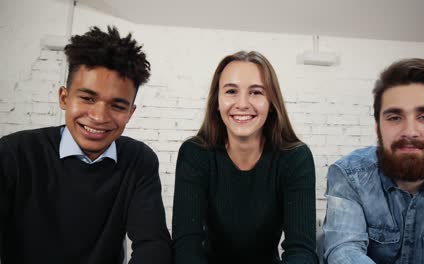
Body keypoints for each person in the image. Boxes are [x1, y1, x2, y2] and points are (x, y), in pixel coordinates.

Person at [0, 26, 171, 264]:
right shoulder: (13, 154)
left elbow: (154, 246)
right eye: (88, 98)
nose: (100, 117)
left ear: (130, 113)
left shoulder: (139, 160)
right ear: (64, 98)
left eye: (118, 105)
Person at [172, 51, 318, 264]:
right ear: (217, 101)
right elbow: (187, 245)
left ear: (271, 103)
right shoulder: (195, 153)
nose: (242, 103)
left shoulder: (295, 157)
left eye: (256, 92)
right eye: (231, 91)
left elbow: (301, 249)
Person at [323, 58, 424, 264]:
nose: (409, 131)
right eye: (394, 117)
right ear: (378, 126)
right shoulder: (349, 175)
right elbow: (344, 250)